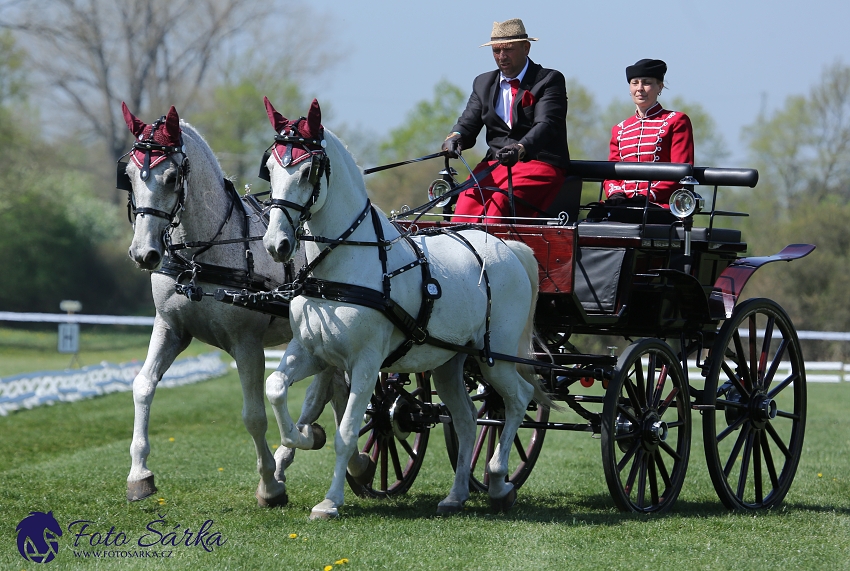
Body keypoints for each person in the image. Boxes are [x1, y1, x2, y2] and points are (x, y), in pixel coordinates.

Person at [441, 18, 569, 223]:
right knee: (465, 204)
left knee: (499, 206)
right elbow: (468, 123)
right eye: (496, 51)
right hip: (495, 165)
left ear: (526, 47)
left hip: (537, 163)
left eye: (508, 49)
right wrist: (455, 137)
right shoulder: (483, 82)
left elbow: (546, 125)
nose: (502, 56)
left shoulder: (548, 80)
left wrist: (520, 147)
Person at [603, 58, 694, 209]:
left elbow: (680, 172)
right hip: (622, 205)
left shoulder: (677, 121)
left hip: (660, 205)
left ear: (660, 87)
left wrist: (647, 195)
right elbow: (611, 174)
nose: (640, 88)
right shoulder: (620, 129)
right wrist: (615, 194)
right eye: (635, 83)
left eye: (646, 82)